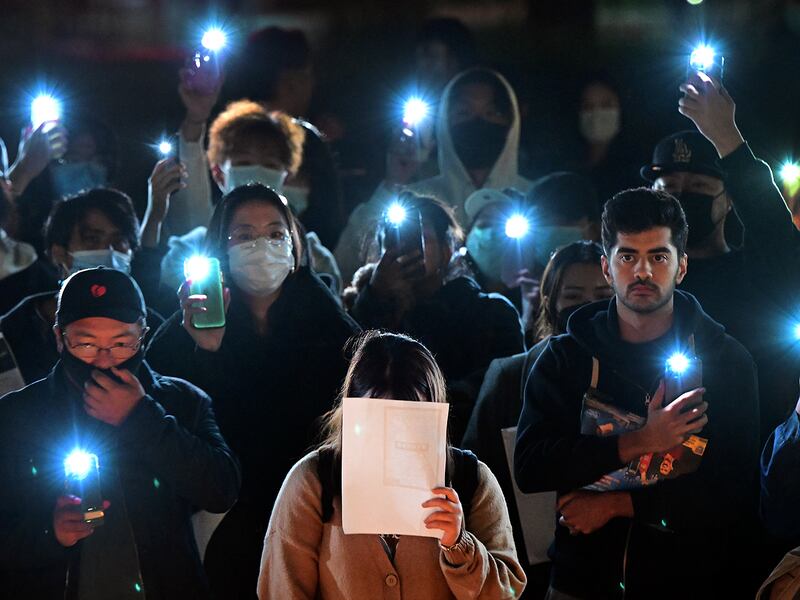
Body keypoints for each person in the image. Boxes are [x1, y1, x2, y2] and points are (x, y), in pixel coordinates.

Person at [514, 188, 760, 598]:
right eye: (627, 256)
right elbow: (531, 466)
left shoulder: (726, 361)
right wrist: (639, 441)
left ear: (681, 266)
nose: (642, 272)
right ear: (607, 268)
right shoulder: (566, 357)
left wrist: (618, 505)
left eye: (658, 257)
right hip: (583, 579)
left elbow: (735, 487)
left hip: (692, 579)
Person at [146, 183, 360, 599]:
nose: (261, 245)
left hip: (316, 519)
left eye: (275, 233)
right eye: (243, 235)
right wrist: (208, 353)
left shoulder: (331, 327)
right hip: (223, 524)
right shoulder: (182, 332)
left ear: (295, 244)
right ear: (220, 248)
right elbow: (167, 425)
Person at [0, 267, 240, 599]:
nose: (103, 360)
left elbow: (221, 489)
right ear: (59, 338)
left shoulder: (182, 401)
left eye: (121, 344)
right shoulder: (17, 416)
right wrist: (48, 531)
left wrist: (141, 418)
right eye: (85, 344)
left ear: (143, 334)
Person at [258, 330, 527, 599]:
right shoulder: (314, 482)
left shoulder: (471, 480)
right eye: (377, 419)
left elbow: (508, 592)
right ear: (352, 411)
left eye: (409, 420)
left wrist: (459, 545)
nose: (393, 436)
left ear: (434, 413)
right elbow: (282, 591)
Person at [643, 71, 800, 437]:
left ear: (728, 199)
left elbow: (775, 237)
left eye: (699, 186)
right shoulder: (638, 284)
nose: (682, 198)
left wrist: (726, 139)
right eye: (668, 189)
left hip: (749, 457)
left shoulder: (755, 274)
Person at [462, 241, 612, 597]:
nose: (588, 307)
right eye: (573, 294)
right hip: (527, 568)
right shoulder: (510, 377)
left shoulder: (641, 376)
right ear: (550, 301)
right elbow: (476, 471)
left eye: (603, 294)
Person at [347, 192, 523, 443]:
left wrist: (421, 404)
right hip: (375, 444)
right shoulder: (364, 307)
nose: (404, 249)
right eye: (393, 240)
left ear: (447, 248)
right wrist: (375, 296)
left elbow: (497, 387)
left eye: (420, 239)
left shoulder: (490, 313)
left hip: (464, 448)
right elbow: (345, 368)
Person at [336, 67, 533, 284]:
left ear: (510, 123)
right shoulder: (418, 198)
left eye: (491, 113)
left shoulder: (533, 198)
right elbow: (347, 261)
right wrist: (394, 181)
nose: (478, 122)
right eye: (464, 113)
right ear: (445, 123)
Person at [161, 98, 342, 300]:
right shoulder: (192, 250)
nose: (257, 172)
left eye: (270, 164)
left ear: (288, 175)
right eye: (244, 162)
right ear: (219, 173)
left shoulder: (314, 257)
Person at [0, 188, 166, 389]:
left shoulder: (155, 330)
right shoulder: (11, 333)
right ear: (58, 253)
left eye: (119, 241)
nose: (109, 251)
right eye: (92, 239)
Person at [226, 26, 345, 248]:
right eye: (308, 75)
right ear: (290, 80)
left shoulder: (227, 133)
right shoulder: (308, 143)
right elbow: (329, 222)